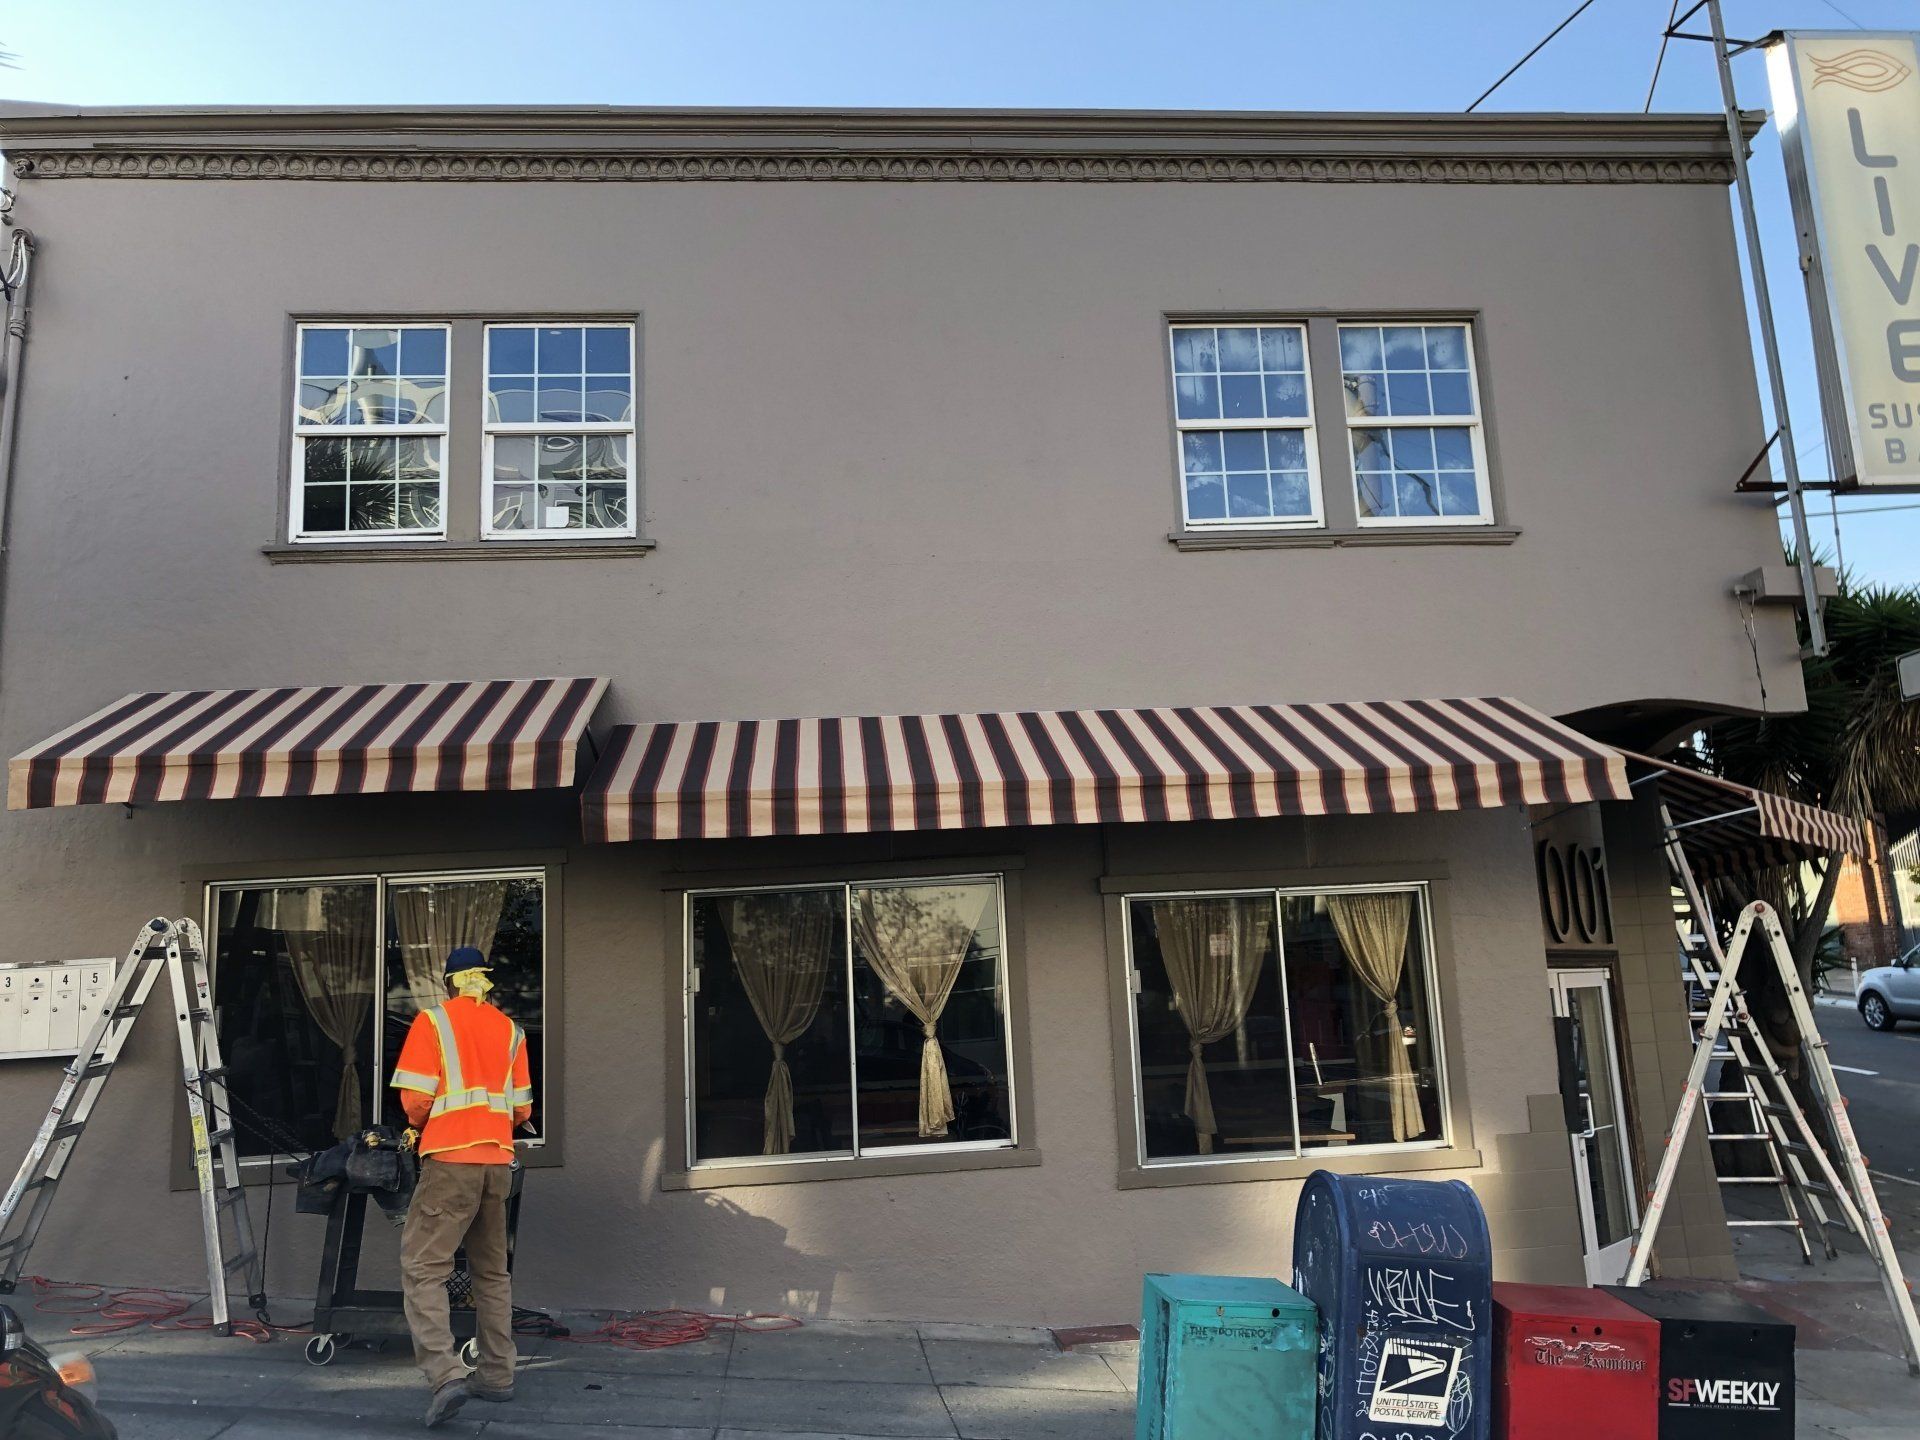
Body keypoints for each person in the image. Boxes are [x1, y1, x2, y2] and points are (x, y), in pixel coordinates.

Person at [390, 945, 534, 1428]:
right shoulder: (511, 1030)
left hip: (451, 1161)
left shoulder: (432, 1023)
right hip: (498, 1163)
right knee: (492, 1274)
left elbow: (416, 1101)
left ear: (450, 982)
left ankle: (446, 1374)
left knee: (423, 1269)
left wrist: (424, 1125)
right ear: (484, 982)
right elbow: (521, 1110)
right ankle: (496, 1375)